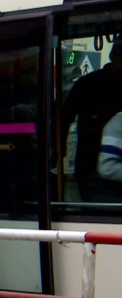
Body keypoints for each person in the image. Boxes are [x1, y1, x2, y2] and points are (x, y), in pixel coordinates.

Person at [62, 41, 122, 201]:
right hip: (91, 171)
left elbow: (64, 119)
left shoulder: (87, 83)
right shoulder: (88, 84)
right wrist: (58, 152)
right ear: (114, 57)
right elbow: (63, 118)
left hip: (89, 168)